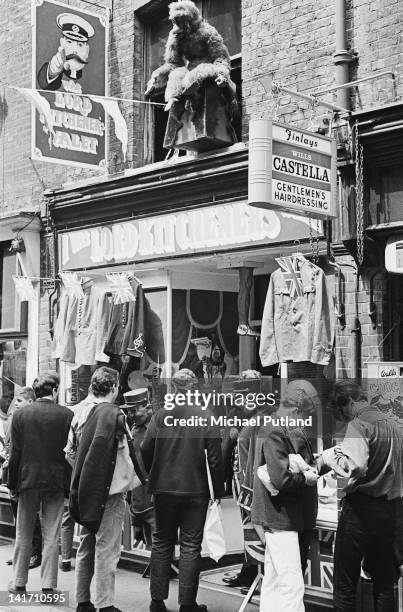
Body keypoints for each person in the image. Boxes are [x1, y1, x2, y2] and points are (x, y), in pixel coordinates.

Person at [141, 368, 225, 612]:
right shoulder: (206, 416)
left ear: (174, 389)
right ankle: (187, 604)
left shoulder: (160, 416)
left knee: (162, 542)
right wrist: (216, 493)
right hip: (195, 491)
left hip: (163, 489)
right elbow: (216, 460)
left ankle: (157, 601)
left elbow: (146, 450)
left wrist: (152, 475)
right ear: (195, 389)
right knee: (190, 546)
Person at [69, 366, 141, 612]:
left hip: (83, 490)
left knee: (87, 546)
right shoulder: (114, 416)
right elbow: (126, 457)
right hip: (109, 493)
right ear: (113, 387)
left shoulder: (78, 412)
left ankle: (83, 601)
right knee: (107, 551)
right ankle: (105, 604)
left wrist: (83, 478)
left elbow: (70, 452)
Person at [327, 381, 403, 612]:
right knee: (384, 583)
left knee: (345, 583)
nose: (344, 417)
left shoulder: (359, 424)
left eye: (342, 412)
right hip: (390, 509)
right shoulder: (393, 423)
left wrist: (332, 461)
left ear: (349, 402)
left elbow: (355, 466)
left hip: (361, 511)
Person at [251, 380, 321, 612]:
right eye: (305, 415)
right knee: (292, 583)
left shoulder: (274, 426)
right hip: (282, 517)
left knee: (273, 578)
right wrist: (307, 478)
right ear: (296, 410)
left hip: (279, 516)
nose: (305, 421)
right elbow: (281, 479)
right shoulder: (276, 430)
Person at [8, 372, 73, 595]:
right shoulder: (67, 415)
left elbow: (15, 453)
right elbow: (70, 453)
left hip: (27, 480)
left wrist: (12, 484)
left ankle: (19, 582)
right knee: (51, 535)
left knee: (23, 533)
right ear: (54, 391)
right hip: (55, 481)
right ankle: (48, 586)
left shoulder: (20, 415)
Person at [61, 384, 103, 573]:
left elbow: (69, 450)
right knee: (93, 516)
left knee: (68, 516)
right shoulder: (105, 412)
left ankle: (65, 558)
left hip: (74, 472)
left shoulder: (73, 411)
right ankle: (92, 560)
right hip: (94, 475)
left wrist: (78, 469)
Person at [3, 388, 43, 570]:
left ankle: (35, 553)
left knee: (30, 517)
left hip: (24, 475)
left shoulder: (31, 422)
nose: (15, 404)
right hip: (11, 472)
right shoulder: (14, 419)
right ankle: (21, 553)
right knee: (18, 516)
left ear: (30, 402)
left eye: (19, 400)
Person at [124, 388, 155, 549]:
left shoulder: (159, 428)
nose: (131, 415)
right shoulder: (133, 431)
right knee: (146, 539)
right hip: (137, 496)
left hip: (154, 495)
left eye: (134, 410)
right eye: (129, 411)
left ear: (147, 406)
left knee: (159, 541)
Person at [37, 12, 95, 93]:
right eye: (69, 42)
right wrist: (52, 72)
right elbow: (43, 83)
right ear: (62, 43)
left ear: (87, 50)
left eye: (80, 44)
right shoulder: (55, 68)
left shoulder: (94, 77)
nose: (74, 50)